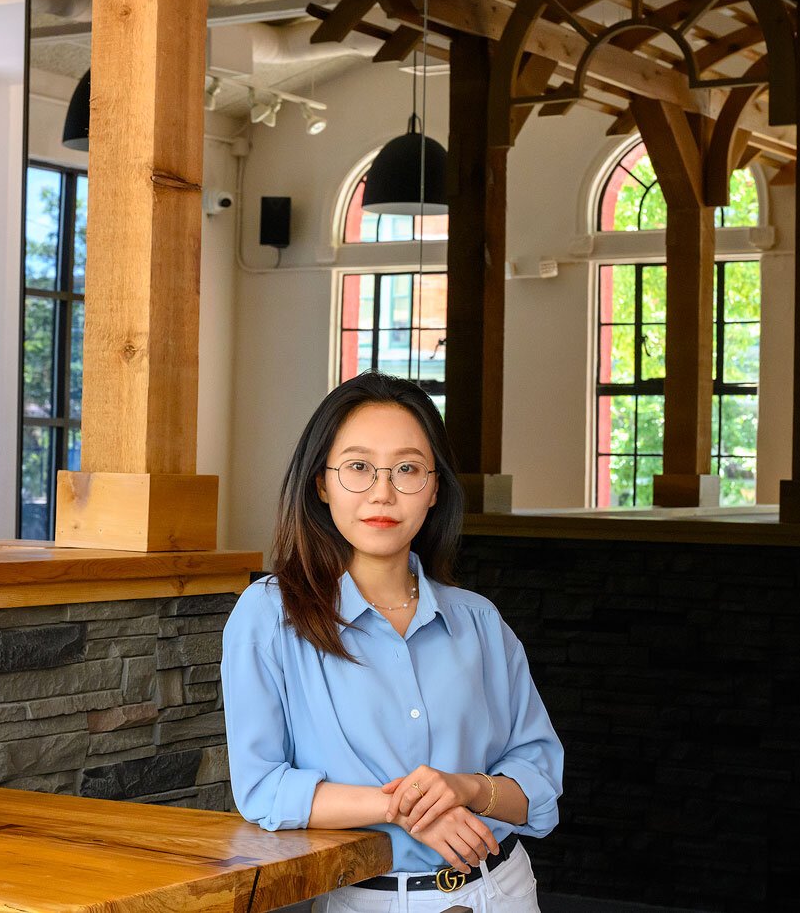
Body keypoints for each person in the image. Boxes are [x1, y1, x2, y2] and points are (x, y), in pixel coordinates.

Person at [222, 371, 565, 913]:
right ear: (321, 483)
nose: (383, 492)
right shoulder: (269, 615)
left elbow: (539, 782)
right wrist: (403, 808)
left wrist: (467, 789)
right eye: (358, 467)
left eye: (407, 469)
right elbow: (263, 787)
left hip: (500, 893)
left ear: (433, 490)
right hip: (366, 900)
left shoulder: (480, 621)